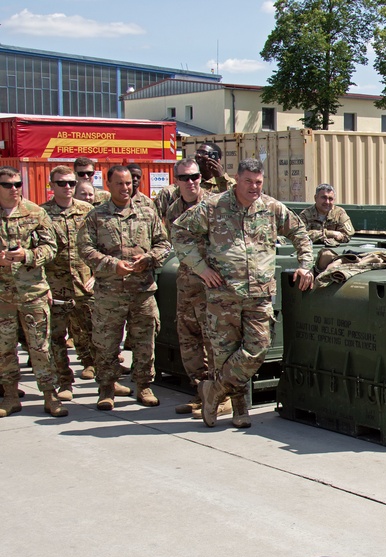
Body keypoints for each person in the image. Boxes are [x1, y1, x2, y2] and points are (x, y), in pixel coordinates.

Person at [173, 158, 314, 429]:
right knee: (224, 353)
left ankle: (212, 391)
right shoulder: (214, 206)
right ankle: (239, 408)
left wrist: (305, 264)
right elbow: (180, 232)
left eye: (259, 182)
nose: (254, 187)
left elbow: (299, 232)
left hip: (259, 294)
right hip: (222, 294)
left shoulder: (271, 208)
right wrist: (201, 268)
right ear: (237, 179)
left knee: (257, 348)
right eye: (248, 181)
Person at [79, 165, 171, 410]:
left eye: (129, 183)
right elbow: (85, 249)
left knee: (145, 342)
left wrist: (149, 259)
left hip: (142, 292)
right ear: (108, 185)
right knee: (106, 343)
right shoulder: (96, 216)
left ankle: (143, 386)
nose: (125, 188)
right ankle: (106, 389)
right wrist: (112, 265)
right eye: (119, 183)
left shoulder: (147, 213)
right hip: (110, 294)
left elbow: (164, 244)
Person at [163, 158, 231, 419]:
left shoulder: (215, 203)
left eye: (194, 177)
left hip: (212, 284)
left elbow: (238, 197)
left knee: (214, 340)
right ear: (176, 181)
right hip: (187, 282)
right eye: (184, 178)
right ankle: (201, 392)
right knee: (189, 340)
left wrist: (223, 176)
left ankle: (220, 395)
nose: (190, 182)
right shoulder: (173, 210)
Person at [0, 166, 67, 418]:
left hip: (32, 293)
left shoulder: (35, 213)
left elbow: (51, 248)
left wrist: (26, 255)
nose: (14, 189)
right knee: (4, 348)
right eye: (7, 185)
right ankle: (9, 395)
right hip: (2, 296)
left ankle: (49, 395)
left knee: (40, 347)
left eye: (18, 184)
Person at [40, 166, 97, 397]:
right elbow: (39, 252)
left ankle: (103, 378)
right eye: (61, 183)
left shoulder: (88, 211)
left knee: (96, 333)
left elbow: (98, 245)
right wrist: (43, 286)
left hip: (85, 284)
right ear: (51, 185)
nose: (67, 187)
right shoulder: (41, 214)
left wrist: (96, 275)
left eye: (71, 183)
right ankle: (64, 382)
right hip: (56, 287)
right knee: (56, 337)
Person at [155, 142, 234, 221]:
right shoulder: (172, 190)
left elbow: (233, 205)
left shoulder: (229, 183)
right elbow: (155, 219)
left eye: (204, 153)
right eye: (198, 152)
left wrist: (220, 178)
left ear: (216, 159)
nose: (199, 155)